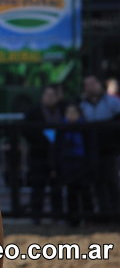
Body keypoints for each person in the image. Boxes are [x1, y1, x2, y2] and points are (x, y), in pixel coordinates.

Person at [80, 74, 120, 218]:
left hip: (111, 149)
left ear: (99, 84)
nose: (90, 87)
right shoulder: (82, 104)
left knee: (112, 181)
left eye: (92, 84)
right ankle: (103, 214)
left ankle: (115, 213)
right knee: (97, 182)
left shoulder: (113, 102)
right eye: (87, 85)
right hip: (92, 149)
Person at [23, 85, 64, 224]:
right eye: (47, 95)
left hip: (58, 155)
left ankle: (57, 215)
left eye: (53, 95)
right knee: (38, 187)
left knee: (57, 187)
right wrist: (41, 140)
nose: (50, 98)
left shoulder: (63, 110)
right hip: (38, 155)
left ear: (57, 97)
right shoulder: (33, 112)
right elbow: (26, 131)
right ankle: (36, 216)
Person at [54, 103, 92, 226]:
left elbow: (90, 147)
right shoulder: (62, 128)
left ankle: (88, 218)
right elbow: (57, 148)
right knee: (71, 193)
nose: (71, 115)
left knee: (85, 192)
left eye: (74, 112)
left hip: (82, 164)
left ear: (79, 114)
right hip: (67, 165)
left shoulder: (85, 127)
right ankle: (73, 220)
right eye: (68, 113)